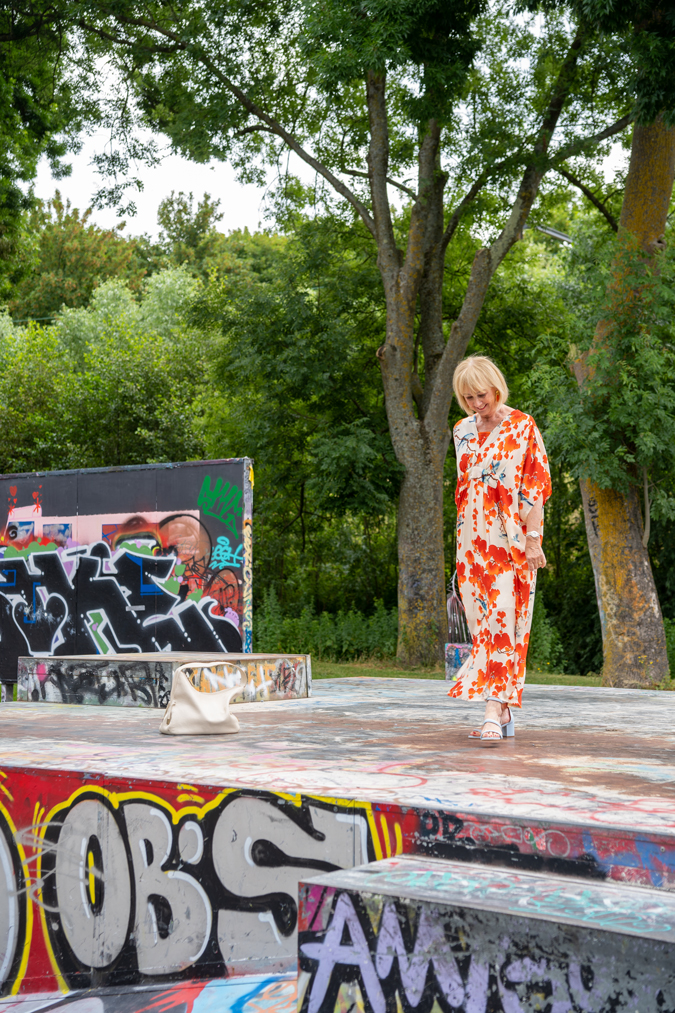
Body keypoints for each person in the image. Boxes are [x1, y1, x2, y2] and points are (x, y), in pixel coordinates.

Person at [448, 355, 551, 744]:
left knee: (504, 625)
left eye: (482, 394)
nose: (477, 403)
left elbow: (535, 487)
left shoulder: (522, 427)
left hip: (509, 542)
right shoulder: (460, 431)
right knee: (482, 628)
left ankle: (493, 707)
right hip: (471, 543)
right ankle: (503, 704)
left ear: (496, 387)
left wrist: (533, 539)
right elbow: (463, 490)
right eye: (468, 397)